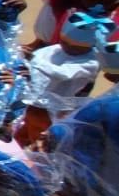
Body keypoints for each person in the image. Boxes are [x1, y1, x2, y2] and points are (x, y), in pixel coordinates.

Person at [14, 11, 104, 147]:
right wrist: (26, 63)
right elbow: (39, 57)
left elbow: (61, 73)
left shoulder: (91, 63)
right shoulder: (57, 49)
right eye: (64, 43)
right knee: (23, 131)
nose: (67, 48)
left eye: (75, 47)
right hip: (35, 100)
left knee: (39, 137)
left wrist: (33, 59)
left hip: (53, 108)